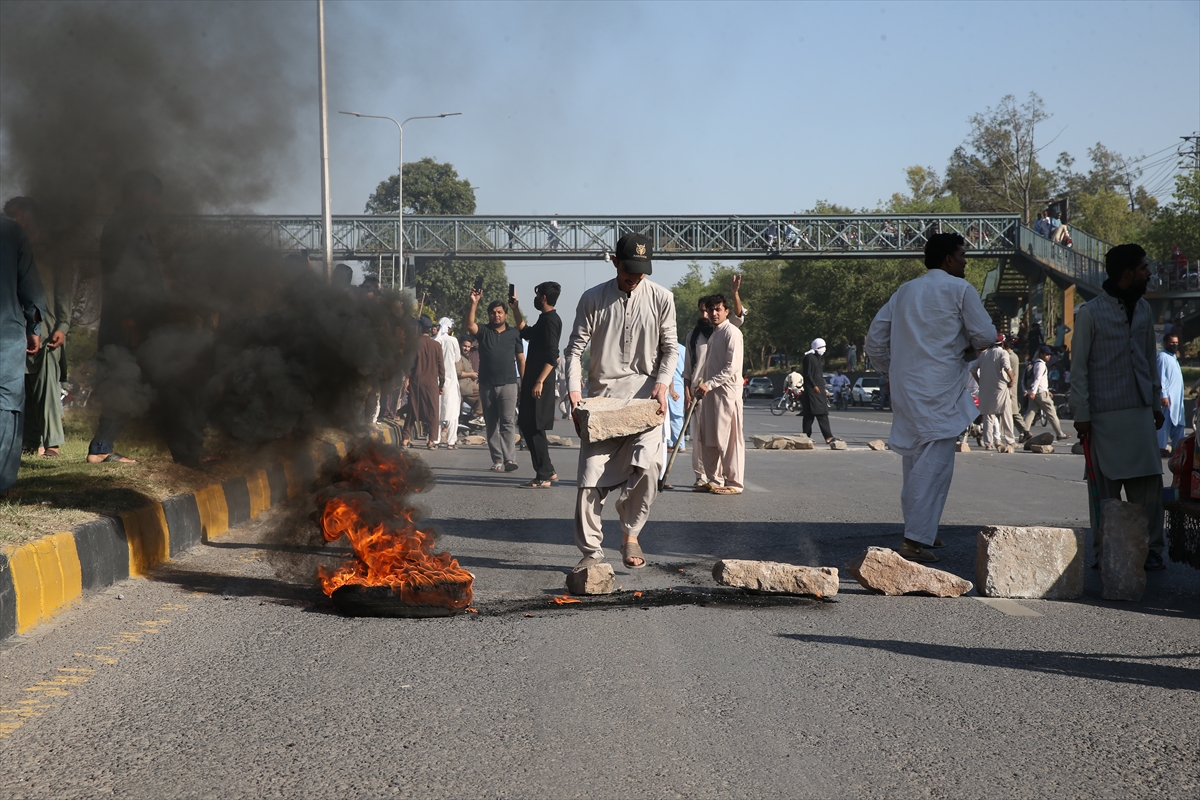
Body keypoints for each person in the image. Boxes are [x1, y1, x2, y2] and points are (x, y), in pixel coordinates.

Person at [865, 232, 997, 562]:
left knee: (915, 460)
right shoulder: (960, 289)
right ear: (949, 259)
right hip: (939, 387)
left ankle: (922, 529)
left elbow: (874, 341)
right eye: (962, 256)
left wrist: (890, 370)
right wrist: (965, 347)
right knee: (934, 465)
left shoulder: (904, 291)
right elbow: (986, 335)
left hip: (905, 388)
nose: (965, 262)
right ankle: (914, 540)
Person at [565, 233, 676, 570]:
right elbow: (574, 350)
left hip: (646, 402)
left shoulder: (662, 298)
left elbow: (670, 349)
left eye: (641, 271)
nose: (635, 277)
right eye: (629, 270)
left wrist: (662, 383)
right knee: (589, 479)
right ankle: (591, 554)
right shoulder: (592, 298)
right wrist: (574, 393)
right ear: (614, 262)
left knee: (650, 468)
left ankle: (631, 535)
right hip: (602, 404)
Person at [1071, 243, 1166, 572]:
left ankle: (1151, 549)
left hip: (1139, 411)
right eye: (1143, 268)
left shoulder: (1144, 310)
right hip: (1102, 416)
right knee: (1105, 491)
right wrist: (1082, 414)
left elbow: (1150, 360)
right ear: (1127, 273)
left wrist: (1155, 402)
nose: (1148, 273)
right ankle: (1105, 550)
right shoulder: (1090, 313)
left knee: (1149, 487)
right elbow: (1079, 368)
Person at [5, 198, 71, 459]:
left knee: (47, 387)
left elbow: (63, 292)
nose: (15, 222)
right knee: (21, 387)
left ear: (30, 217)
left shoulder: (52, 252)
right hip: (12, 329)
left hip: (46, 330)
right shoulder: (8, 249)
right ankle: (31, 441)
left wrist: (63, 325)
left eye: (18, 215)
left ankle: (52, 444)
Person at [683, 276, 747, 489]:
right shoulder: (704, 336)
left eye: (718, 310)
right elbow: (689, 368)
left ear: (726, 311)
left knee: (729, 441)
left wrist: (709, 384)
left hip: (726, 394)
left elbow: (731, 367)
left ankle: (734, 482)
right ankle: (713, 479)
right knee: (708, 438)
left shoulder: (732, 332)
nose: (713, 314)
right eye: (710, 310)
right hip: (706, 394)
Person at [0, 216, 47, 498]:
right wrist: (34, 328)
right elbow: (31, 287)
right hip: (5, 331)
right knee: (6, 404)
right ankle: (1, 481)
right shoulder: (10, 230)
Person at [466, 292, 524, 472]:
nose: (496, 315)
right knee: (491, 423)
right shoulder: (484, 331)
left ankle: (510, 459)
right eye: (493, 312)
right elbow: (470, 325)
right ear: (489, 315)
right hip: (487, 384)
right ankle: (497, 460)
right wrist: (474, 303)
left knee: (508, 422)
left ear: (505, 314)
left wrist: (524, 381)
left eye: (499, 312)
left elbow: (520, 359)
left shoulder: (514, 333)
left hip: (509, 384)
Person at [513, 281, 561, 487]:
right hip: (533, 380)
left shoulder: (551, 321)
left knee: (535, 427)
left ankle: (544, 474)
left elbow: (552, 355)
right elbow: (525, 332)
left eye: (537, 295)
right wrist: (515, 309)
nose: (536, 298)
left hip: (541, 382)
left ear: (543, 297)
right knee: (526, 423)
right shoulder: (544, 319)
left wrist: (540, 381)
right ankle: (547, 470)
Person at [402, 315, 444, 449]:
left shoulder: (414, 345)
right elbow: (441, 367)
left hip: (417, 381)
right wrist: (441, 384)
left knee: (412, 409)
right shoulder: (436, 345)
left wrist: (407, 379)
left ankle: (405, 439)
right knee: (433, 411)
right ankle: (431, 441)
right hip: (431, 383)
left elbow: (410, 365)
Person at [971, 337, 1015, 452]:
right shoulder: (1003, 353)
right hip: (1000, 387)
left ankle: (988, 443)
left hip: (986, 388)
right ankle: (1010, 440)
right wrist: (1012, 379)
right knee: (1006, 413)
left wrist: (979, 381)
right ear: (1002, 343)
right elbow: (1007, 367)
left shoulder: (983, 355)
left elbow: (973, 370)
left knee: (988, 415)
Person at [1022, 345, 1070, 440]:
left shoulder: (1035, 363)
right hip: (1040, 393)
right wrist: (1034, 392)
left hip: (1037, 391)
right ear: (1041, 354)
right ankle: (1060, 434)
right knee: (1051, 413)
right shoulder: (1041, 365)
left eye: (1049, 354)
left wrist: (1043, 391)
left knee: (1030, 413)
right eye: (1047, 354)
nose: (1049, 356)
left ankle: (1023, 433)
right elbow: (1037, 379)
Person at [800, 338, 838, 445]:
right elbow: (808, 374)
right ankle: (825, 437)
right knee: (818, 414)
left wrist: (823, 388)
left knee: (812, 415)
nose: (823, 349)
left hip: (819, 389)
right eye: (822, 347)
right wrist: (814, 386)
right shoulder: (809, 358)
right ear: (816, 347)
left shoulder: (817, 358)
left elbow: (818, 375)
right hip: (813, 391)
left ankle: (808, 436)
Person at [432, 317, 462, 449]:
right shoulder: (453, 340)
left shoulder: (434, 340)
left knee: (437, 409)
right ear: (449, 329)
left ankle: (435, 439)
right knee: (452, 410)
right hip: (450, 378)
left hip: (436, 378)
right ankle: (451, 441)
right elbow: (457, 358)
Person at [1157, 333, 1185, 456]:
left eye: (1176, 343)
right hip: (1168, 399)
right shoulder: (1162, 357)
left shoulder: (1173, 358)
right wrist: (1163, 395)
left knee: (1179, 425)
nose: (1174, 345)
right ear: (1165, 343)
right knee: (1164, 425)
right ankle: (1160, 448)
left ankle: (1177, 448)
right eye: (1172, 342)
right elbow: (1160, 378)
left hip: (1177, 400)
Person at [1002, 335, 1030, 443]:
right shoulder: (1013, 356)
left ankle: (1025, 431)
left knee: (1013, 412)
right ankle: (1024, 432)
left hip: (1010, 387)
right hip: (1011, 386)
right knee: (1012, 412)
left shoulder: (1009, 357)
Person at [459, 338, 482, 418]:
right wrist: (471, 374)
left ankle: (476, 415)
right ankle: (478, 415)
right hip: (463, 385)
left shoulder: (466, 357)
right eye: (465, 346)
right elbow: (458, 373)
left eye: (468, 347)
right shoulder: (458, 357)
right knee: (482, 394)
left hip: (469, 383)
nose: (466, 349)